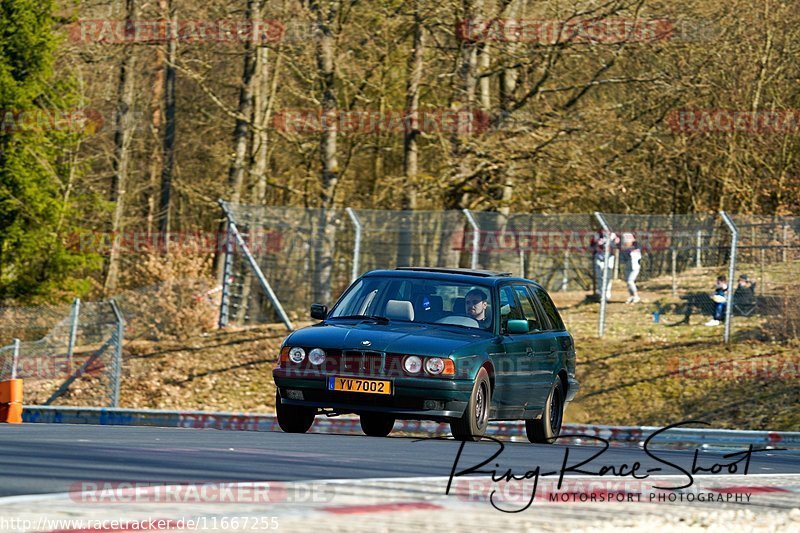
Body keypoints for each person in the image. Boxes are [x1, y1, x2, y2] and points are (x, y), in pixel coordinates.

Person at [590, 228, 620, 301]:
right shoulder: (597, 235)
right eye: (603, 230)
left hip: (609, 257)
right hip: (599, 256)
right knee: (600, 275)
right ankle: (601, 293)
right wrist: (597, 244)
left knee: (608, 275)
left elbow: (619, 245)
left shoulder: (613, 235)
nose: (605, 231)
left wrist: (616, 242)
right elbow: (591, 246)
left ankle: (607, 292)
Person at [620, 233, 642, 304]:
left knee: (630, 281)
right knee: (628, 282)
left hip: (634, 268)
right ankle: (631, 296)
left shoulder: (636, 248)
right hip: (628, 267)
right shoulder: (624, 250)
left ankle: (636, 296)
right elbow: (623, 259)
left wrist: (629, 250)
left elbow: (635, 255)